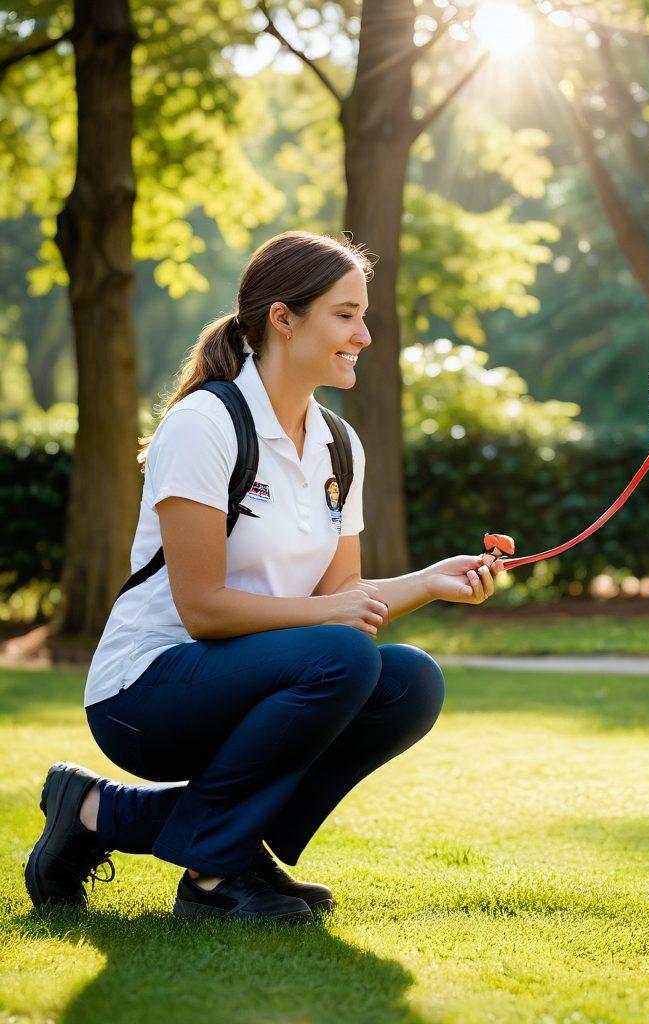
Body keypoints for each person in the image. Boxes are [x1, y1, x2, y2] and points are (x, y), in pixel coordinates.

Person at [25, 231, 504, 924]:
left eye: (362, 315)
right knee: (344, 654)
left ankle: (111, 817)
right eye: (345, 315)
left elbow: (339, 602)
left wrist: (432, 581)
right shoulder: (206, 423)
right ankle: (214, 879)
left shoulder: (340, 444)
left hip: (252, 678)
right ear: (284, 318)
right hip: (145, 694)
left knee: (408, 681)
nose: (364, 335)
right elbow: (204, 611)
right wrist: (336, 622)